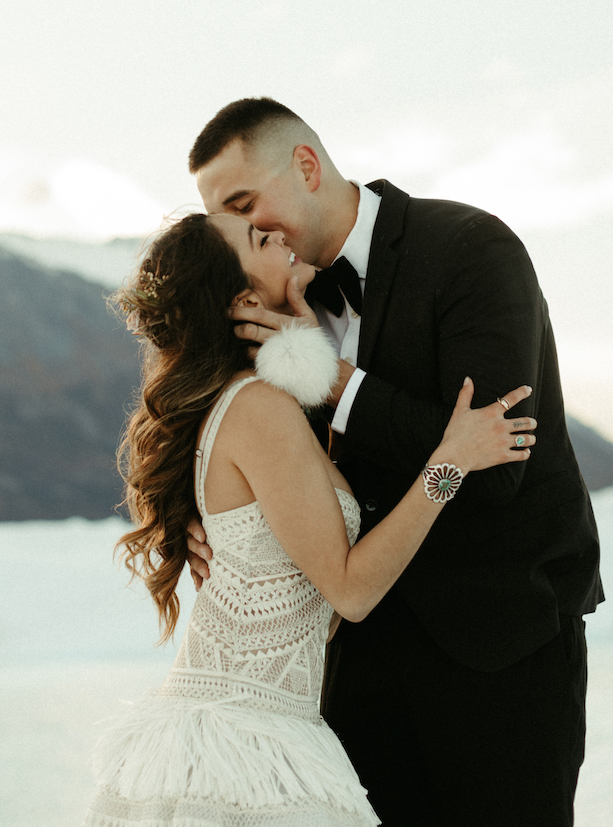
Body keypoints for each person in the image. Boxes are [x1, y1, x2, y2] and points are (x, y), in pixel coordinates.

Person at [185, 98, 603, 827]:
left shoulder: (472, 249)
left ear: (307, 166)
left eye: (247, 206)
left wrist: (328, 379)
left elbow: (496, 460)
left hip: (499, 655)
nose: (248, 233)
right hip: (356, 665)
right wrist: (204, 524)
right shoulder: (272, 304)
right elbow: (221, 430)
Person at [81, 210, 535, 827]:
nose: (280, 235)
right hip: (243, 743)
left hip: (264, 729)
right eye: (259, 240)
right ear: (241, 298)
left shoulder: (259, 401)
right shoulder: (257, 408)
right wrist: (449, 463)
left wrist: (301, 344)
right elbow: (349, 590)